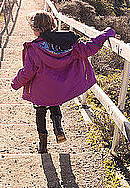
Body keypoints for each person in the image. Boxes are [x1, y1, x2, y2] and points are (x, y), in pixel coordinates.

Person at [11, 10, 115, 153]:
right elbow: (90, 48)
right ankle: (58, 130)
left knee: (40, 112)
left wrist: (16, 83)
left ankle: (43, 144)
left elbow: (28, 72)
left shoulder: (34, 49)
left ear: (35, 29)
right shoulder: (68, 43)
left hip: (41, 90)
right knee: (55, 105)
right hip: (58, 89)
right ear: (53, 25)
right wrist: (105, 34)